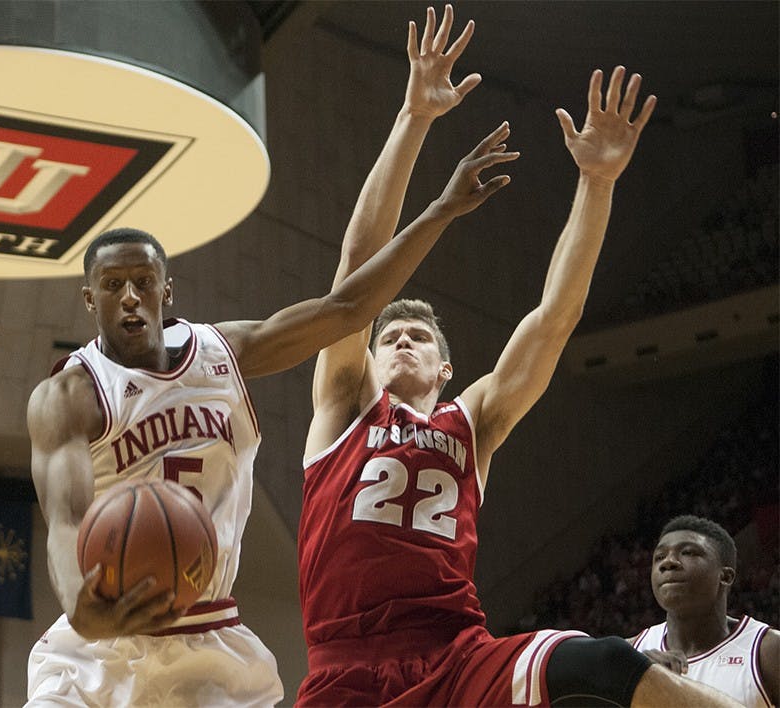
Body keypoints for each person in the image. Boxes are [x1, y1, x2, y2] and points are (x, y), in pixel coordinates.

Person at [24, 7, 515, 704]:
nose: (130, 298)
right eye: (112, 285)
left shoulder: (227, 352)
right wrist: (80, 600)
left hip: (208, 640)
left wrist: (437, 209)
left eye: (142, 282)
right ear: (88, 299)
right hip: (98, 640)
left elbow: (348, 307)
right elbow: (66, 518)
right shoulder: (70, 395)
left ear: (169, 289)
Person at [296, 17, 745, 704]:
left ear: (447, 369)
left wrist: (597, 184)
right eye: (389, 335)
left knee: (604, 665)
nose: (401, 340)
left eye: (417, 336)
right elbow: (357, 268)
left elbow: (555, 319)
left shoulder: (471, 419)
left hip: (458, 653)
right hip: (346, 665)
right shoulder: (342, 406)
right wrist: (413, 117)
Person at [629, 515, 779, 707]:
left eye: (688, 553)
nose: (668, 562)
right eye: (659, 557)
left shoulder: (767, 651)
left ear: (725, 576)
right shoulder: (632, 654)